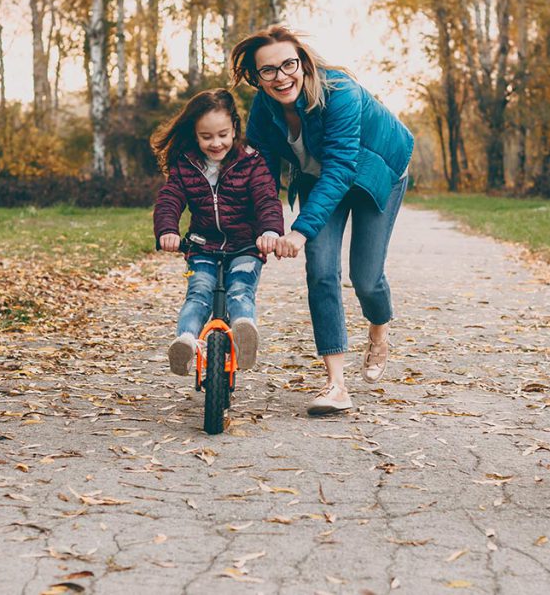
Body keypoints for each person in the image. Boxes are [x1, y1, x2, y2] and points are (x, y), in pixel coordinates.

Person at [230, 25, 414, 416]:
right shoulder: (263, 108)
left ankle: (379, 328)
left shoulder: (340, 93)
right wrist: (267, 224)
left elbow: (341, 168)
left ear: (304, 62)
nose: (281, 77)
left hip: (375, 171)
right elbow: (260, 171)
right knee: (321, 271)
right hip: (319, 177)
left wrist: (299, 230)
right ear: (256, 77)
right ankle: (336, 384)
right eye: (268, 71)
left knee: (365, 277)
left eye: (288, 65)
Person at [151, 88, 284, 377]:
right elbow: (170, 198)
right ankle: (186, 343)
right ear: (195, 134)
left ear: (235, 127)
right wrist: (167, 230)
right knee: (198, 293)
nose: (216, 143)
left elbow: (266, 199)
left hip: (247, 245)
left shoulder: (251, 161)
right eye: (206, 136)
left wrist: (270, 231)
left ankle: (244, 335)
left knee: (240, 290)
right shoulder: (186, 164)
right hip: (202, 245)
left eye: (223, 134)